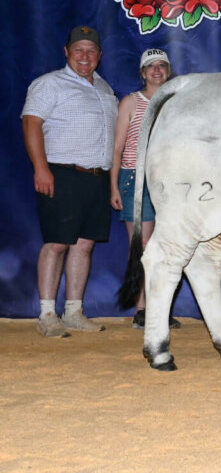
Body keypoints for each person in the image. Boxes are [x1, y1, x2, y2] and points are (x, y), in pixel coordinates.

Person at [22, 25, 118, 337]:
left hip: (96, 177)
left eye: (91, 51)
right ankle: (47, 314)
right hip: (61, 173)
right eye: (79, 50)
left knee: (84, 245)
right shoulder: (49, 84)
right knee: (56, 244)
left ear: (100, 56)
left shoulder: (105, 90)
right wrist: (41, 168)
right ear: (67, 52)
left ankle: (74, 311)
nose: (85, 56)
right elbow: (31, 122)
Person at [109, 48, 180, 329]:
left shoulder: (175, 103)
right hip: (135, 180)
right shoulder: (130, 102)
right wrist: (113, 186)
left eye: (162, 65)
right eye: (151, 66)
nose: (156, 70)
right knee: (143, 246)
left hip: (168, 181)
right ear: (142, 73)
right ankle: (143, 308)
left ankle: (158, 306)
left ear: (168, 71)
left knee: (168, 247)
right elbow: (117, 148)